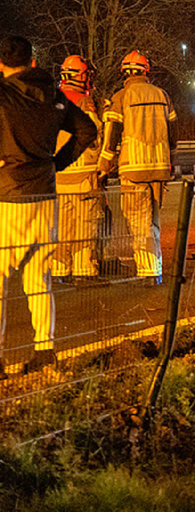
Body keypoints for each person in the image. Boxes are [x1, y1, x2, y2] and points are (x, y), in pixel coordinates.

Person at [0, 36, 97, 376]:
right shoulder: (53, 95)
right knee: (39, 278)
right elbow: (87, 131)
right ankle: (45, 349)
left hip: (7, 196)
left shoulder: (3, 96)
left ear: (1, 65)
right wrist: (57, 163)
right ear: (33, 62)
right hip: (44, 195)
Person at [97, 51, 177, 286]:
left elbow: (111, 137)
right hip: (160, 169)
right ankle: (155, 267)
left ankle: (149, 271)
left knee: (138, 221)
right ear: (146, 71)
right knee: (152, 220)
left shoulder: (121, 97)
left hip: (133, 170)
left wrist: (104, 166)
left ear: (124, 72)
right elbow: (174, 136)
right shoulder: (163, 95)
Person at [53, 55, 104, 285]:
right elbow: (94, 136)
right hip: (83, 176)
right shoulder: (85, 103)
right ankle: (84, 270)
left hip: (58, 178)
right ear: (80, 75)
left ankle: (59, 269)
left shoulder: (51, 100)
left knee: (61, 227)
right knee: (84, 226)